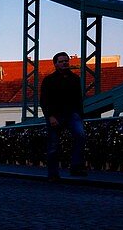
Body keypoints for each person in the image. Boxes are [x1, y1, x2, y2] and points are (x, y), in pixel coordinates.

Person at [40, 51, 87, 179]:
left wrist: (79, 114)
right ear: (55, 64)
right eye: (61, 61)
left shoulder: (75, 79)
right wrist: (50, 116)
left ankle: (76, 167)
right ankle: (53, 173)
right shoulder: (49, 80)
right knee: (53, 144)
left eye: (66, 60)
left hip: (72, 114)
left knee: (81, 136)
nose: (65, 63)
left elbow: (78, 98)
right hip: (56, 115)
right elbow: (44, 100)